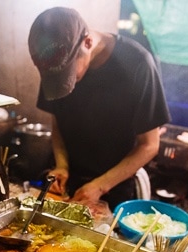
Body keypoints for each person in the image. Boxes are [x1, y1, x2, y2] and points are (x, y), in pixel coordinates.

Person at [27, 7, 170, 209]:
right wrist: (62, 165)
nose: (68, 84)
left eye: (71, 77)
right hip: (68, 183)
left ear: (87, 42)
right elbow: (57, 122)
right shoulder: (54, 65)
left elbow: (149, 145)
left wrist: (100, 187)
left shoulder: (138, 64)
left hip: (113, 188)